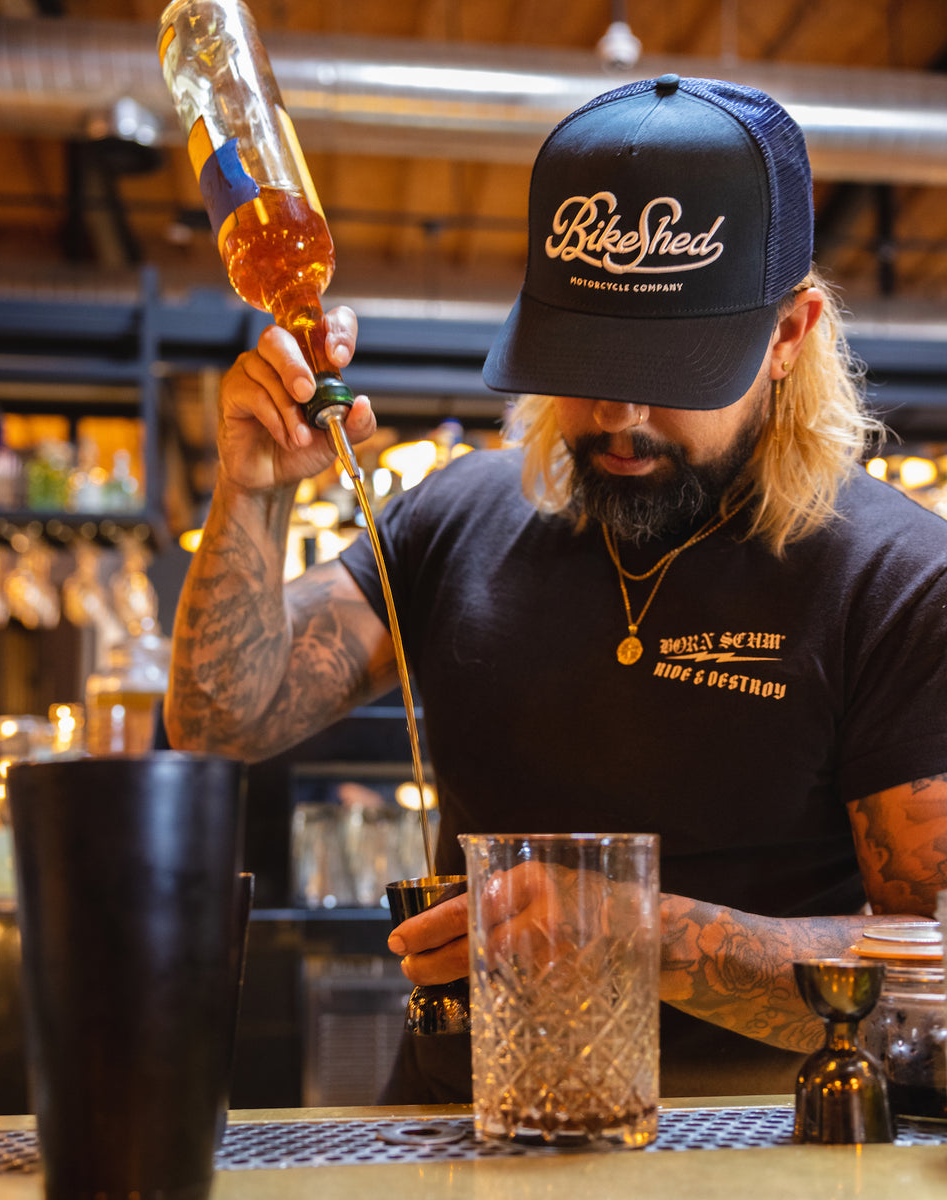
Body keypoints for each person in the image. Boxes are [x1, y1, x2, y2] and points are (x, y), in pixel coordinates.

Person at [164, 75, 947, 1101]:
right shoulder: (455, 521)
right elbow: (220, 720)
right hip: (459, 1145)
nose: (619, 412)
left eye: (671, 367)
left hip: (751, 1159)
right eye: (583, 357)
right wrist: (250, 491)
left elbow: (933, 987)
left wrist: (633, 929)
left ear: (787, 335)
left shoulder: (897, 579)